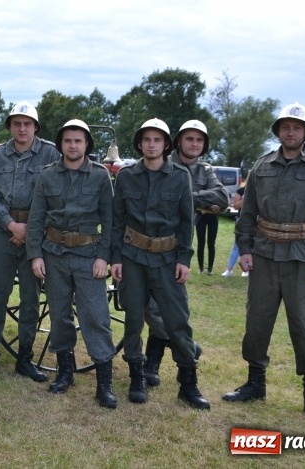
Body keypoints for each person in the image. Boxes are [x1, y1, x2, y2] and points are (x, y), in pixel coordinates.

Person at [222, 103, 305, 419]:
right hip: (263, 257)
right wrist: (244, 249)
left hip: (303, 260)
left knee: (304, 326)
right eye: (286, 127)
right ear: (278, 131)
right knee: (257, 323)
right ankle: (254, 384)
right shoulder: (261, 167)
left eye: (297, 128)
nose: (291, 132)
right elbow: (247, 215)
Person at [110, 118, 210, 410]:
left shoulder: (180, 176)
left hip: (167, 259)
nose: (151, 145)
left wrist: (184, 260)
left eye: (157, 140)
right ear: (139, 144)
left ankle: (188, 384)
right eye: (146, 140)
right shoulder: (126, 176)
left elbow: (185, 222)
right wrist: (116, 258)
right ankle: (136, 376)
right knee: (132, 321)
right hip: (133, 258)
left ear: (166, 144)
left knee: (177, 320)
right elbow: (118, 220)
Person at [27, 120, 116, 408]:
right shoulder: (47, 176)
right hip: (54, 255)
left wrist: (104, 256)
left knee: (96, 316)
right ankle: (65, 373)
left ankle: (104, 383)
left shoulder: (100, 176)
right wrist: (36, 255)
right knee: (60, 315)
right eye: (68, 141)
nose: (73, 145)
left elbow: (110, 221)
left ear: (87, 144)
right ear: (61, 144)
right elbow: (36, 218)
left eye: (78, 141)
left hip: (89, 256)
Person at [0, 101, 60, 381]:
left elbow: (54, 194)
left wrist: (28, 230)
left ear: (35, 127)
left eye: (27, 123)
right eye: (17, 123)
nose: (22, 128)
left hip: (36, 234)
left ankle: (25, 358)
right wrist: (10, 225)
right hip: (2, 232)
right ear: (10, 126)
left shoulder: (50, 153)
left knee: (31, 299)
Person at [142, 120, 228, 388]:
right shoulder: (159, 162)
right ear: (177, 141)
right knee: (150, 309)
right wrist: (204, 203)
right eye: (189, 139)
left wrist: (186, 196)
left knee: (169, 308)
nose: (194, 144)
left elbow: (222, 198)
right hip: (146, 244)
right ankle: (187, 348)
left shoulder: (204, 171)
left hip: (177, 248)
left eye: (199, 140)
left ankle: (151, 366)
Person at [221, 186, 248, 277]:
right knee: (237, 245)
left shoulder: (259, 189)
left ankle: (246, 270)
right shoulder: (241, 191)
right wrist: (244, 199)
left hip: (254, 221)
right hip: (241, 221)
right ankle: (229, 270)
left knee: (251, 245)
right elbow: (235, 206)